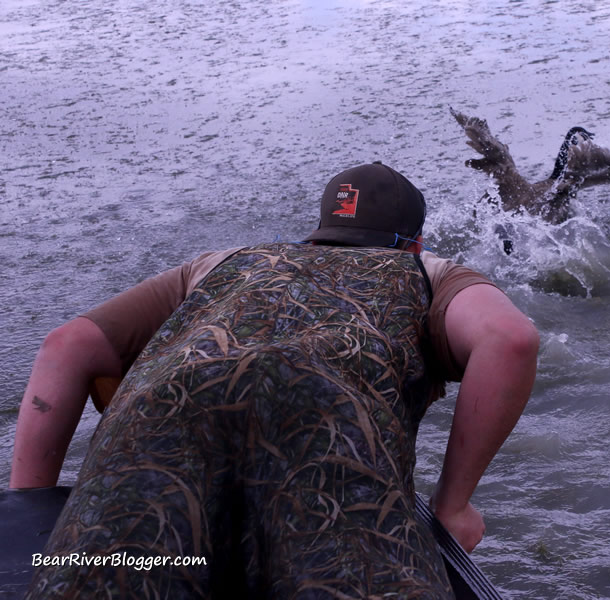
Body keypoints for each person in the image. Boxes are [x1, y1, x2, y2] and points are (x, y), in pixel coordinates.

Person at [11, 162, 539, 598]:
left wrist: (27, 506)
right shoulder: (430, 273)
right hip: (324, 436)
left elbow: (66, 346)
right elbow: (510, 341)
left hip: (154, 425)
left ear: (320, 228)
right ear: (415, 244)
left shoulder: (224, 263)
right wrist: (452, 506)